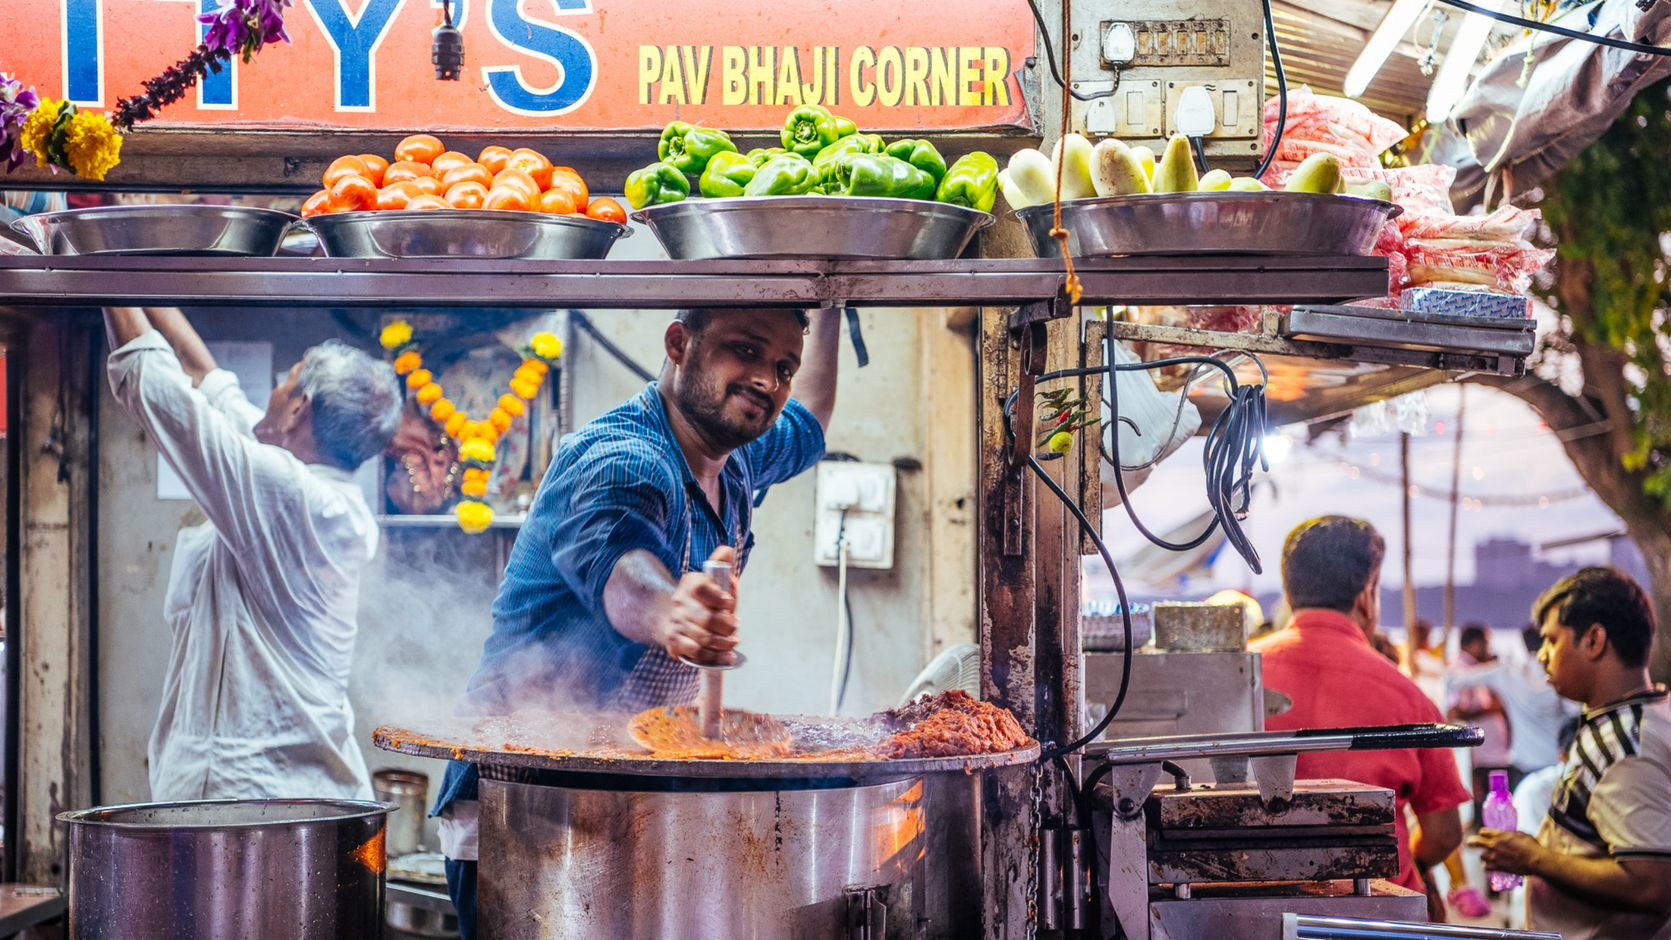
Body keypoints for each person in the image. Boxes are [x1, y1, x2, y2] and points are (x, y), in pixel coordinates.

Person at [432, 307, 839, 939]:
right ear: (679, 342)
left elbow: (808, 419)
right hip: (524, 811)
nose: (769, 380)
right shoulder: (622, 459)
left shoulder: (735, 455)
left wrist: (834, 295)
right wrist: (671, 611)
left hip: (616, 799)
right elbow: (620, 568)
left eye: (782, 366)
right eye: (747, 351)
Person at [102, 306, 401, 800]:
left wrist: (100, 262)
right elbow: (209, 381)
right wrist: (139, 272)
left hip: (244, 799)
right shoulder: (318, 495)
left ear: (299, 408)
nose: (273, 392)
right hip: (290, 793)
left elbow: (153, 384)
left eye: (285, 383)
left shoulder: (289, 495)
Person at [1253, 516, 1470, 920]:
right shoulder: (1408, 697)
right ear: (1368, 594)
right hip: (1380, 919)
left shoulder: (1238, 676)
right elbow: (1444, 834)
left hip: (1248, 914)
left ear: (1289, 590)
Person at [1473, 567, 1671, 939]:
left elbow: (1652, 885)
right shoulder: (1629, 718)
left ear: (1594, 640)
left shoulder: (1626, 747)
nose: (1543, 656)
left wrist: (1534, 858)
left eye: (1551, 641)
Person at [1448, 624, 1579, 780]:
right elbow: (1575, 712)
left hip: (1522, 766)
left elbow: (1452, 680)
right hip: (1557, 763)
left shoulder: (1506, 673)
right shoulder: (1561, 675)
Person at [1449, 624, 1514, 825]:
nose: (1488, 649)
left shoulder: (1475, 670)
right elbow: (1453, 713)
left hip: (1491, 754)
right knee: (1486, 816)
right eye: (1486, 643)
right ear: (1475, 644)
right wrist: (1492, 708)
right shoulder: (1461, 673)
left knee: (1493, 810)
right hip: (1482, 755)